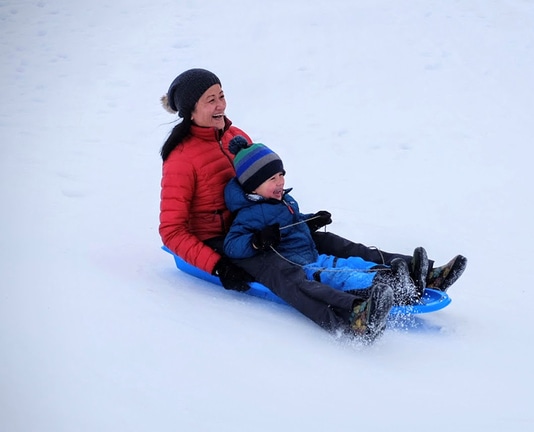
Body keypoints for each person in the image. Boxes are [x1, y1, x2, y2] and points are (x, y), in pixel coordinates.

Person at [158, 68, 467, 337]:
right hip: (227, 243)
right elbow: (171, 231)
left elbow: (260, 181)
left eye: (222, 96)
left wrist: (300, 219)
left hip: (263, 220)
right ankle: (354, 317)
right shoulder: (181, 159)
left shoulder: (234, 135)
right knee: (285, 272)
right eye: (210, 100)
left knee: (330, 243)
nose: (221, 105)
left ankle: (420, 273)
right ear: (190, 110)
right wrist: (218, 266)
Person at [222, 135, 426, 305]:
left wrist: (312, 221)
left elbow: (294, 222)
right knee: (342, 276)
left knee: (352, 263)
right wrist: (257, 241)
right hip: (301, 266)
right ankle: (391, 292)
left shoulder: (284, 200)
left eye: (281, 175)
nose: (280, 182)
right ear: (253, 186)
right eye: (272, 179)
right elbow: (231, 245)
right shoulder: (249, 213)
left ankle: (394, 279)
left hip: (314, 255)